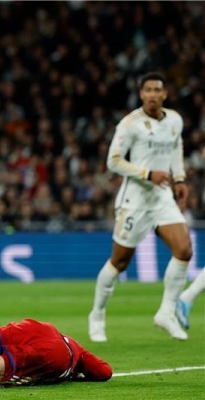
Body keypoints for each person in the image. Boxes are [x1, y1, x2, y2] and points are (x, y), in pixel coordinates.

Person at [88, 72, 193, 342]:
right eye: (148, 90)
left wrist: (180, 178)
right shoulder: (130, 124)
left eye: (158, 90)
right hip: (134, 200)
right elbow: (113, 161)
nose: (153, 95)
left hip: (162, 198)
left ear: (165, 94)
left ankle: (166, 313)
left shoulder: (175, 120)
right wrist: (148, 174)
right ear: (141, 94)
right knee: (119, 262)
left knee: (184, 250)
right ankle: (97, 315)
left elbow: (176, 148)